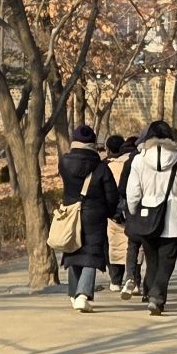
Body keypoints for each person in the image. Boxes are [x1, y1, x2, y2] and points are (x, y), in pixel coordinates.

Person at [124, 119, 177, 316]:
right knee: (167, 260)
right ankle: (156, 296)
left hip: (147, 216)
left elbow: (132, 192)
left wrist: (133, 210)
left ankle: (153, 294)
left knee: (152, 259)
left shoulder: (139, 159)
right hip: (172, 217)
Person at [56, 125, 118, 311]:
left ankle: (74, 294)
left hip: (70, 213)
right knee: (92, 254)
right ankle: (83, 294)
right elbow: (111, 195)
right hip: (95, 215)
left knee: (73, 251)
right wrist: (110, 212)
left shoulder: (64, 163)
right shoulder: (101, 167)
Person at [117, 135, 143, 298]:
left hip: (133, 208)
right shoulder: (154, 161)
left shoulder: (130, 162)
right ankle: (144, 284)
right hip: (152, 209)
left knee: (133, 245)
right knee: (148, 247)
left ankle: (131, 278)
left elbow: (121, 189)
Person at [103, 134, 130, 291]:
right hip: (130, 210)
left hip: (111, 212)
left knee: (113, 245)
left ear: (108, 149)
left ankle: (115, 279)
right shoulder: (131, 162)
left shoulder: (106, 166)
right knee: (130, 244)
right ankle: (132, 278)